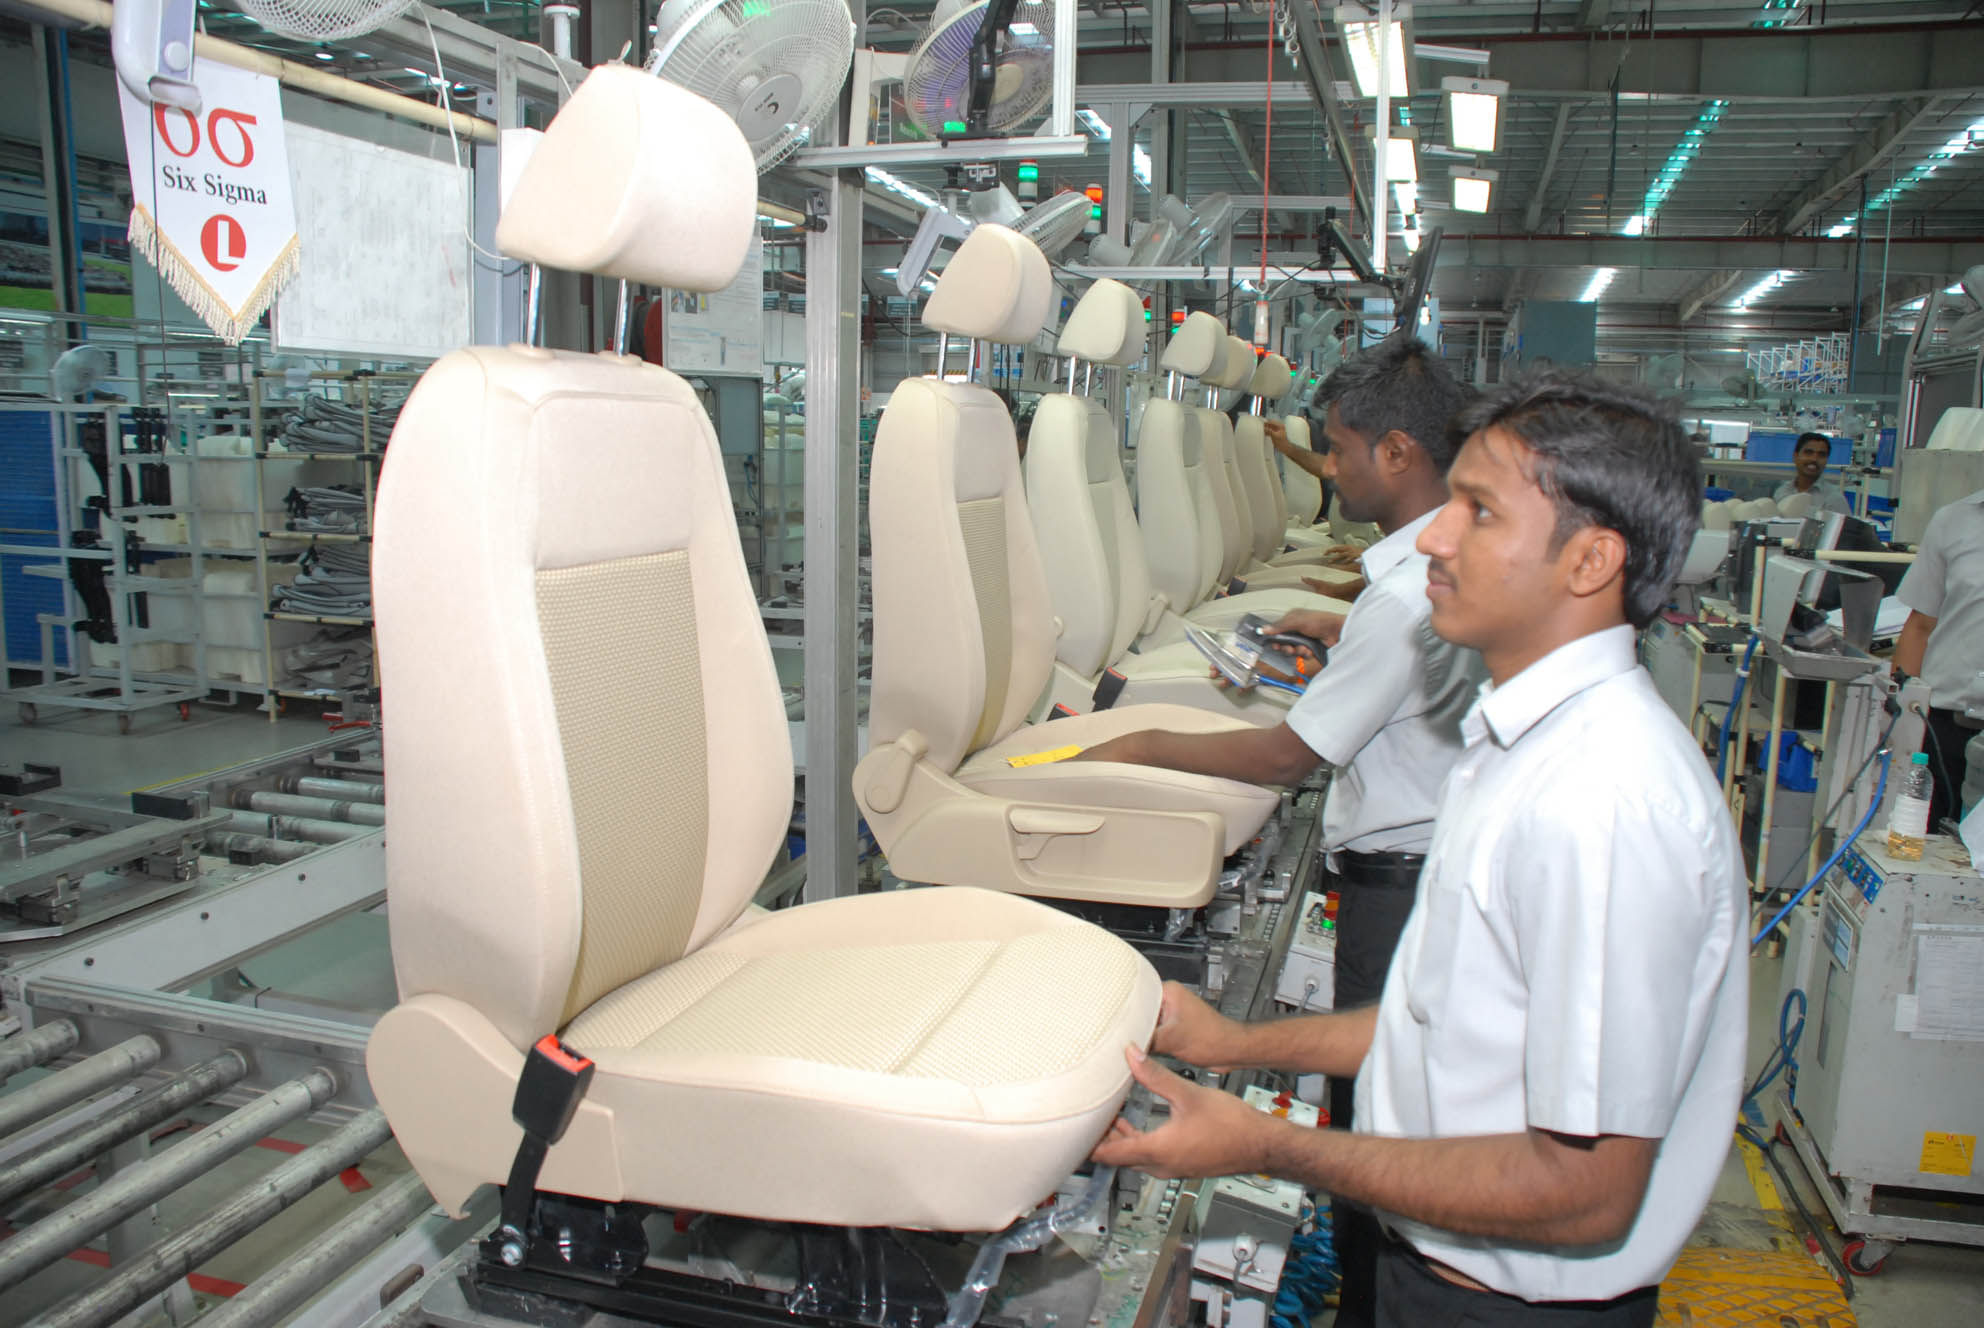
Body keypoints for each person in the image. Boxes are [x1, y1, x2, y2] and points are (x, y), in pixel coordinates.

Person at [1094, 371, 1748, 1328]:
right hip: (1439, 1272)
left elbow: (1584, 1192)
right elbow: (1439, 1017)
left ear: (1591, 560)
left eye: (1478, 513)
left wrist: (1263, 1143)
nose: (1435, 537)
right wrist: (1237, 1043)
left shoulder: (1601, 804)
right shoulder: (1518, 744)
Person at [1071, 334, 1479, 1328]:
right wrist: (1344, 626)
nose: (1327, 467)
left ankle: (1370, 1304)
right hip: (1421, 861)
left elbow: (1288, 757)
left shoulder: (1404, 598)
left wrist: (1142, 743)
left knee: (1379, 1128)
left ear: (1395, 452)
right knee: (1382, 1107)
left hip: (1402, 884)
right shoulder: (1415, 583)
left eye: (1336, 448)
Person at [1895, 487, 1984, 827]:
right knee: (1925, 840)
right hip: (1944, 728)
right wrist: (1900, 721)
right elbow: (1920, 626)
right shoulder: (1953, 521)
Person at [1772, 432, 1852, 515]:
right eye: (1808, 452)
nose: (1814, 459)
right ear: (1795, 456)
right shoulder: (1782, 492)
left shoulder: (1834, 499)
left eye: (1821, 455)